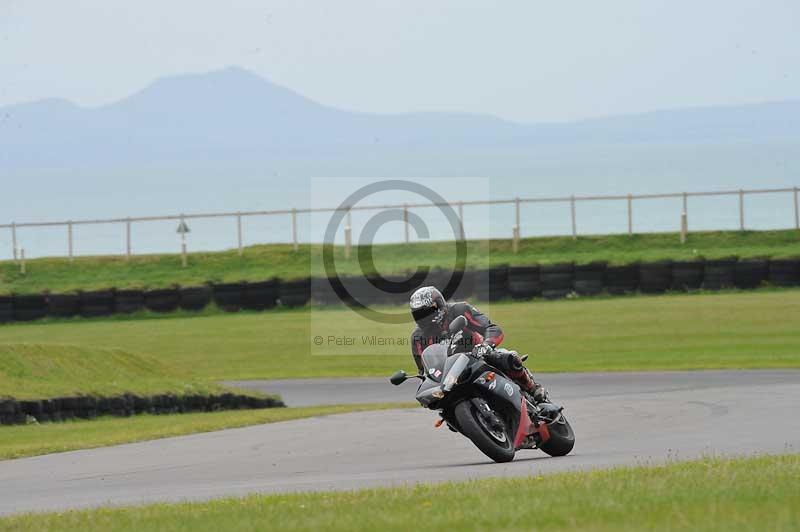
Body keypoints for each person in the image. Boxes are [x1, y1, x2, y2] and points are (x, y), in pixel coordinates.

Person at [409, 286, 546, 402]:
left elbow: (492, 328)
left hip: (479, 355)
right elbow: (424, 371)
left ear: (438, 305)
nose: (423, 318)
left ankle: (533, 388)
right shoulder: (418, 338)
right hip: (451, 374)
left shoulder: (460, 310)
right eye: (419, 315)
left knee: (509, 359)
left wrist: (486, 345)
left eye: (426, 312)